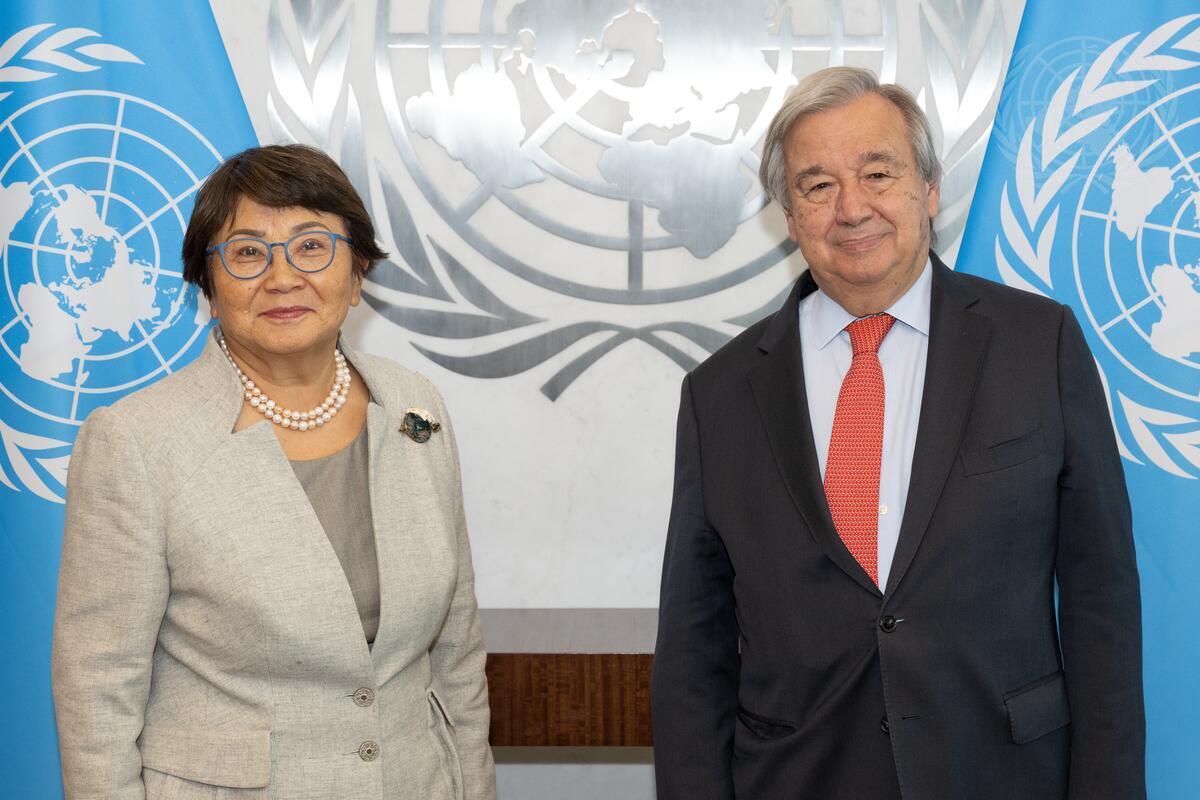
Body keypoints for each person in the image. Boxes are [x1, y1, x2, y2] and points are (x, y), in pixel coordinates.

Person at [651, 67, 1144, 800]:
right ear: (790, 217)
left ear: (929, 190)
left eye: (878, 173)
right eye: (817, 186)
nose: (852, 208)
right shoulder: (719, 395)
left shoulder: (1038, 346)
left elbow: (1102, 603)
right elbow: (695, 651)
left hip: (1005, 775)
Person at [52, 144, 495, 799]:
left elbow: (456, 650)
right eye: (248, 252)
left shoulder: (414, 409)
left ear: (359, 269)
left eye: (313, 246)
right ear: (206, 282)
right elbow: (97, 690)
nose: (283, 278)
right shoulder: (137, 441)